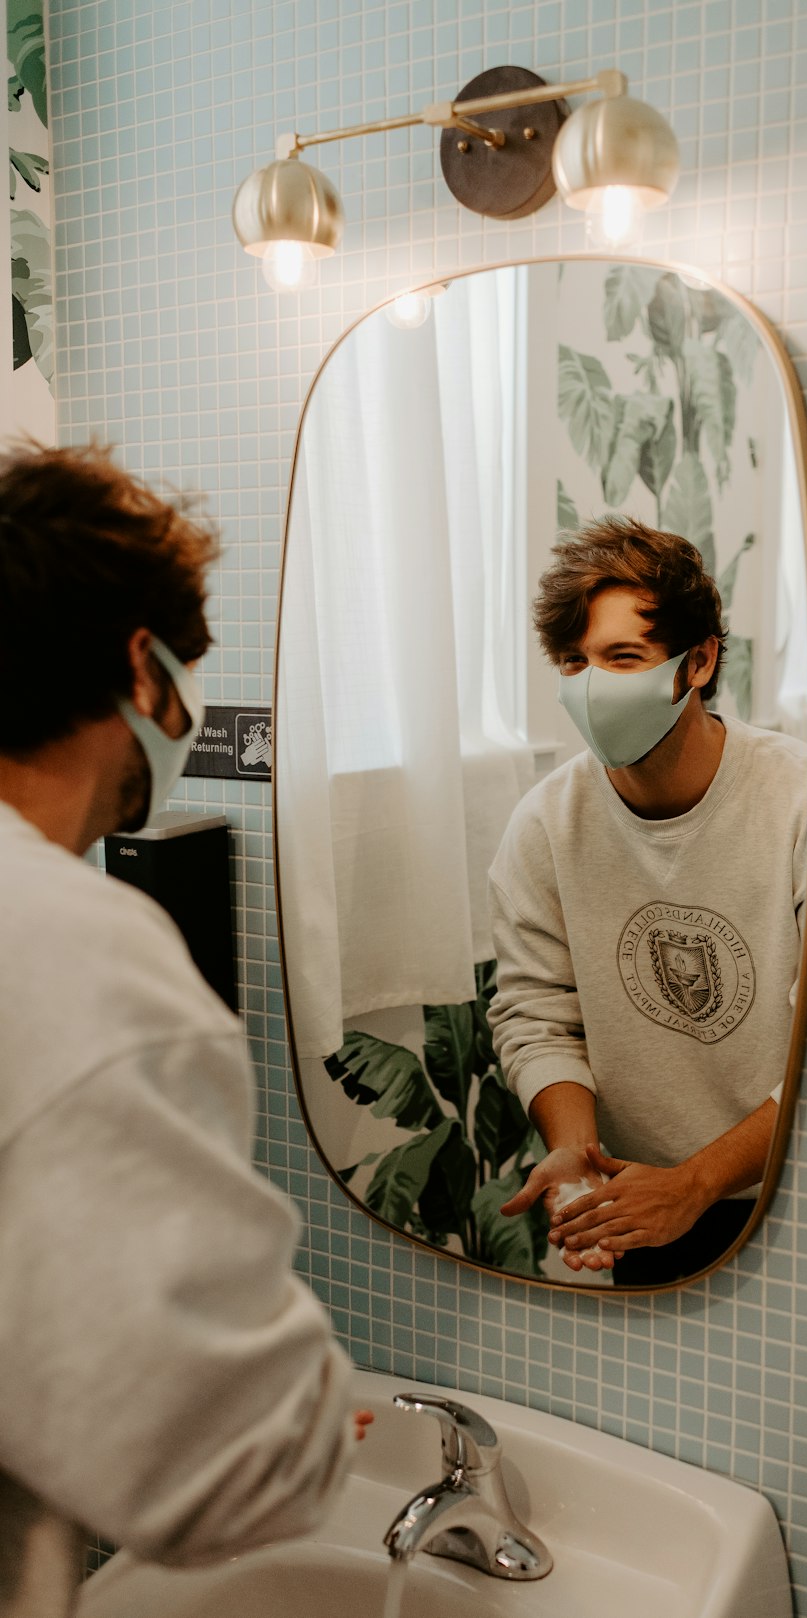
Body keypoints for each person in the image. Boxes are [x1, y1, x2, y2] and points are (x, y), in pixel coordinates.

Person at [0, 442, 373, 1618]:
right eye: (188, 673)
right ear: (139, 668)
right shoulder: (74, 950)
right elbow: (226, 1480)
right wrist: (300, 1416)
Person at [488, 516, 807, 1287]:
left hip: (803, 1188)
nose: (594, 687)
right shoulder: (544, 824)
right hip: (640, 1197)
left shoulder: (804, 801)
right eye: (575, 662)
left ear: (696, 662)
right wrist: (574, 1150)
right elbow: (536, 1011)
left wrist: (700, 1181)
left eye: (622, 657)